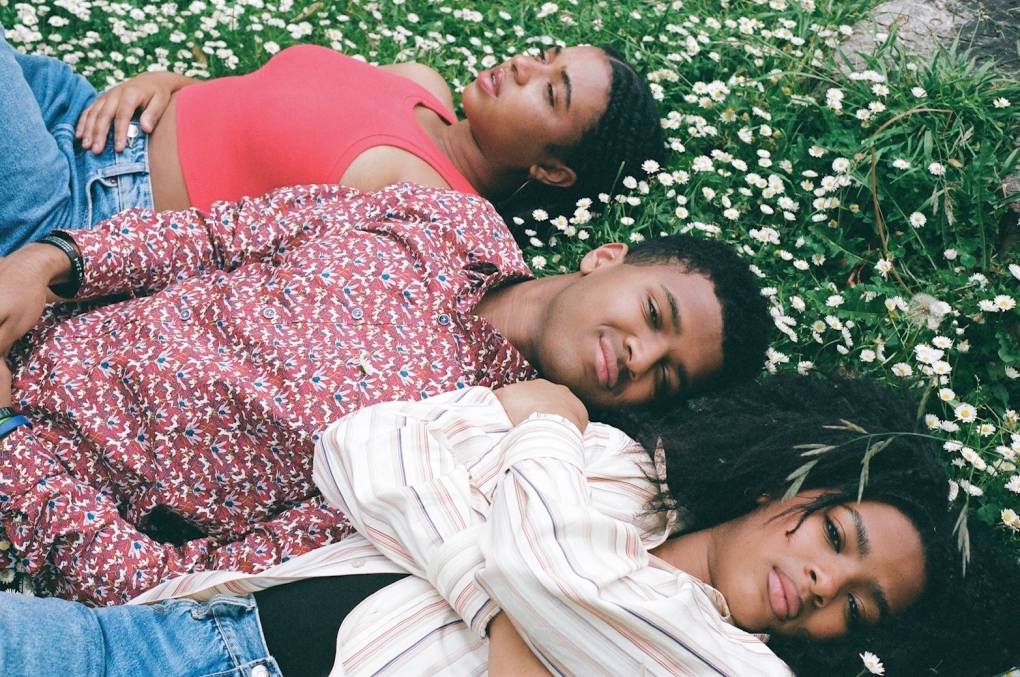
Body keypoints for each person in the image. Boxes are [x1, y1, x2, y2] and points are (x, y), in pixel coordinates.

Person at [0, 181, 771, 604]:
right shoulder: (446, 216)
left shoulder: (484, 444)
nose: (641, 355)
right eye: (653, 315)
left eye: (666, 374)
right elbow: (217, 234)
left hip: (40, 482)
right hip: (35, 306)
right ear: (608, 258)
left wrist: (12, 448)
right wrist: (48, 264)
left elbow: (226, 573)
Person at [1, 377, 1015, 676]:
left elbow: (553, 564)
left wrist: (549, 421)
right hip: (176, 631)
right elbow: (361, 447)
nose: (824, 583)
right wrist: (502, 610)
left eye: (860, 603)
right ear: (796, 496)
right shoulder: (613, 467)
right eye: (836, 541)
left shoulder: (732, 669)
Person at [0, 25, 664, 253]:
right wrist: (168, 81)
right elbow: (256, 106)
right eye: (546, 56)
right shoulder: (419, 82)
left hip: (82, 214)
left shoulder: (426, 213)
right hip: (84, 107)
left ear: (553, 172)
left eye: (550, 92)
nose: (524, 66)